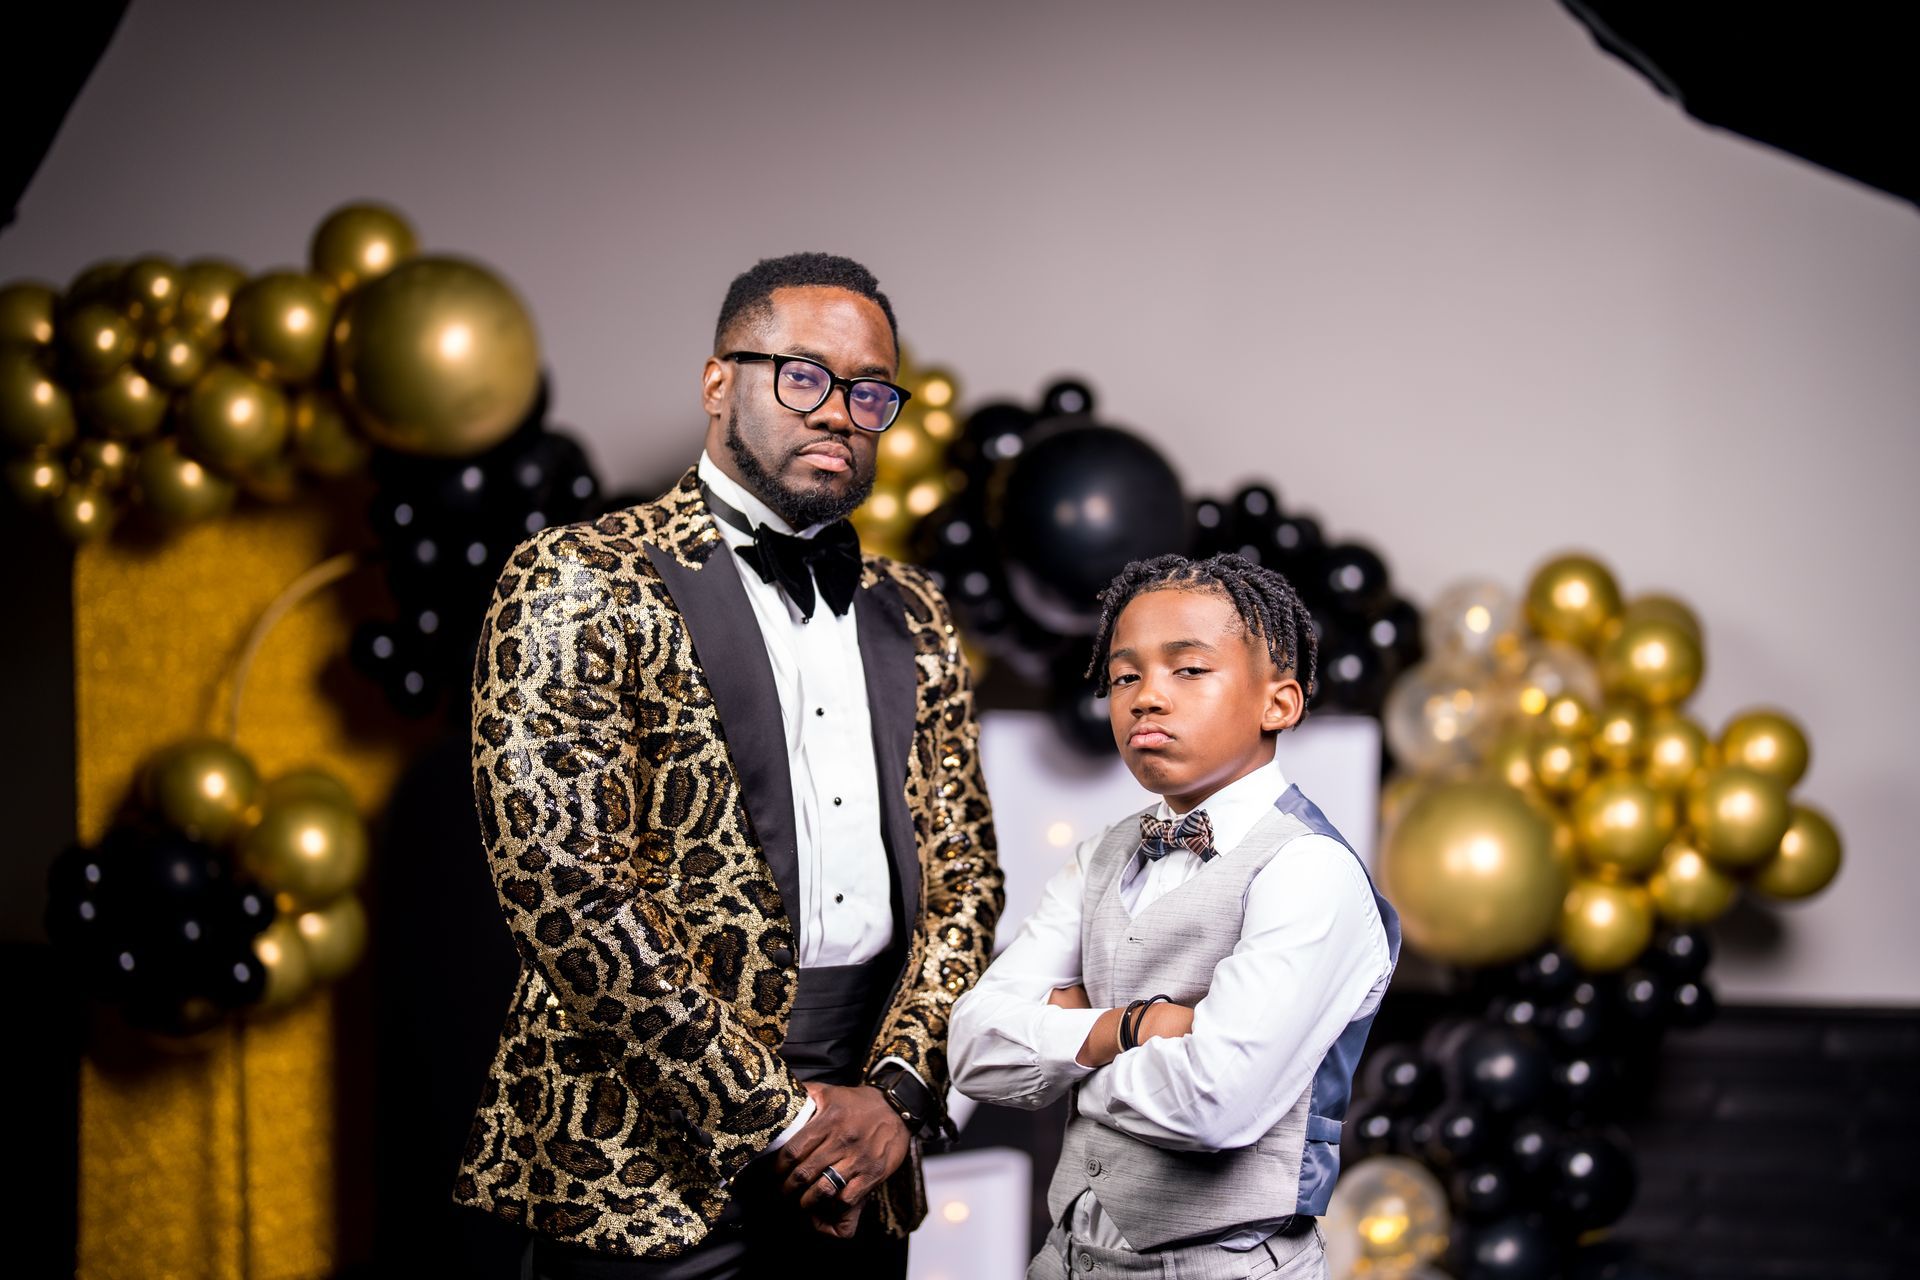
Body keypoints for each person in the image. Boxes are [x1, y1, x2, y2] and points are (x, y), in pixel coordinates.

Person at [455, 253, 1003, 1279]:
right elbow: (565, 891)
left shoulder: (914, 610)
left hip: (868, 1153)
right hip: (638, 1156)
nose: (840, 411)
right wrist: (780, 1113)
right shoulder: (579, 575)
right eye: (804, 375)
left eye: (870, 391)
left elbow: (967, 880)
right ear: (719, 383)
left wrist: (895, 1093)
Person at [950, 553, 1400, 1280]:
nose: (1145, 697)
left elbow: (1214, 1102)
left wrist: (1062, 1050)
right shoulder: (1098, 855)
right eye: (1125, 676)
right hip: (1061, 1260)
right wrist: (1130, 1027)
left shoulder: (1310, 872)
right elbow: (972, 1050)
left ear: (1278, 704)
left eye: (1189, 670)